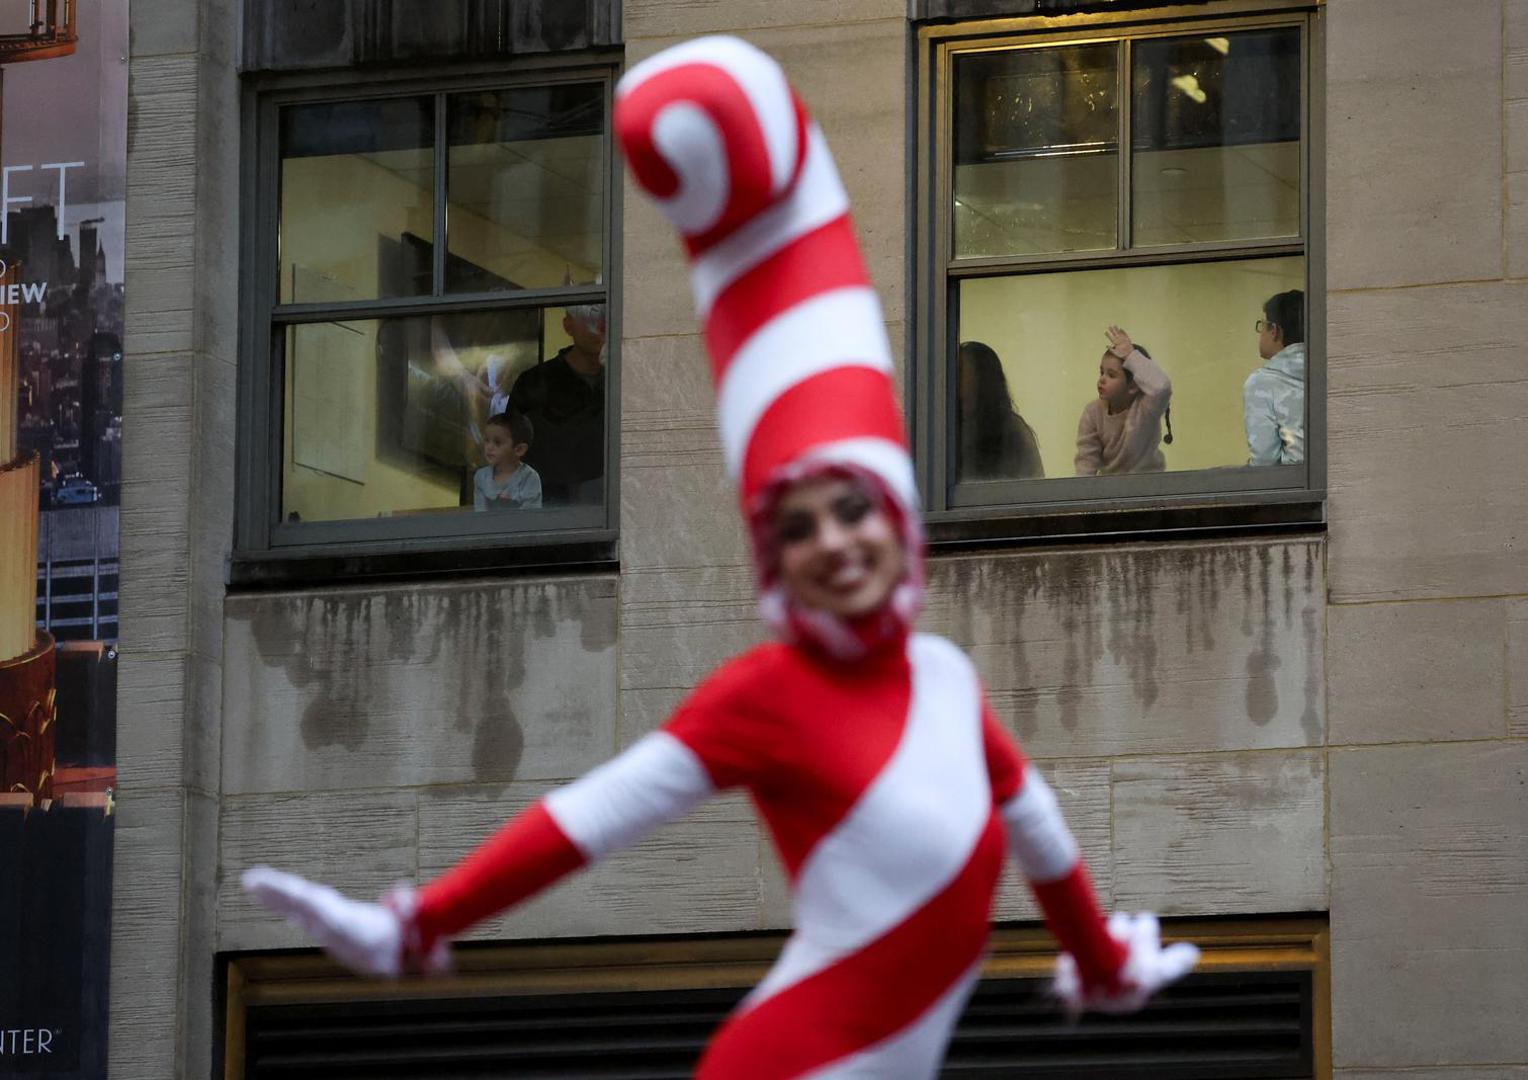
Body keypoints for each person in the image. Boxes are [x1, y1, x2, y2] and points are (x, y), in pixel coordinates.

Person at [242, 36, 1196, 1079]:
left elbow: (1041, 836)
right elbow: (592, 816)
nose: (831, 541)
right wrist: (419, 920)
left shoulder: (945, 683)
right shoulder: (765, 697)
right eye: (796, 529)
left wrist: (1099, 957)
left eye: (850, 510)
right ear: (773, 564)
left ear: (897, 523)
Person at [506, 302, 607, 506]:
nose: (596, 326)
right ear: (568, 325)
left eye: (603, 318)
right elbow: (510, 452)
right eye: (587, 318)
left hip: (609, 507)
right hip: (549, 510)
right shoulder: (535, 382)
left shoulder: (624, 382)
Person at [1073, 326, 1173, 476]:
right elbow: (1086, 461)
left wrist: (1130, 354)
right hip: (1111, 490)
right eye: (1102, 372)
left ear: (1133, 386)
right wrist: (1083, 495)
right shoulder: (1092, 412)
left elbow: (1161, 387)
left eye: (1111, 375)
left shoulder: (1146, 408)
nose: (1101, 380)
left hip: (1150, 486)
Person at [957, 341, 1044, 481]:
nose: (951, 379)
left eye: (960, 371)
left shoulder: (1012, 431)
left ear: (981, 378)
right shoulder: (946, 428)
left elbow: (1033, 490)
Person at [1245, 290, 1306, 466]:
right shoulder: (1328, 370)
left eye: (1262, 325)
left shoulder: (1262, 383)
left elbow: (1264, 461)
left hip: (1294, 485)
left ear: (1274, 330)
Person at [472, 411, 542, 511]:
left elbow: (529, 519)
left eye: (497, 442)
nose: (489, 447)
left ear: (519, 450)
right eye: (486, 440)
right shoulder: (481, 477)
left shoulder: (529, 478)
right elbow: (479, 516)